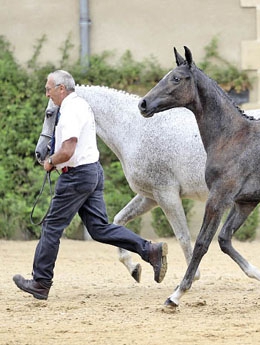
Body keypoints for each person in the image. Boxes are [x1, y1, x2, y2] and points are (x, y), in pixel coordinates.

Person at [13, 70, 167, 300]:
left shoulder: (71, 110)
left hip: (76, 176)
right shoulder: (81, 106)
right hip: (91, 171)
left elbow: (68, 149)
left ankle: (40, 282)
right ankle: (149, 250)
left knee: (51, 227)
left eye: (49, 88)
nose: (47, 93)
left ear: (62, 88)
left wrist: (50, 162)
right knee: (99, 228)